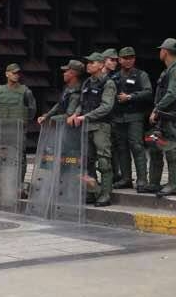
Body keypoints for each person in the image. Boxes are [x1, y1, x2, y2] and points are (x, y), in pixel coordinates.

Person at [70, 53, 116, 207]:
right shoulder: (87, 83)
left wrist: (86, 116)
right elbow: (82, 103)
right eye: (87, 62)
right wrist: (77, 113)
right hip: (87, 126)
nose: (88, 65)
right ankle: (92, 191)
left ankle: (105, 193)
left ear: (102, 65)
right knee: (88, 160)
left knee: (104, 161)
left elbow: (106, 106)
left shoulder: (107, 83)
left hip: (100, 126)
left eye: (92, 62)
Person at [145, 38, 176, 196]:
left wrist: (157, 109)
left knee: (172, 150)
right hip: (165, 117)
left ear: (165, 51)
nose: (160, 52)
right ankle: (154, 182)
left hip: (172, 117)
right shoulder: (169, 70)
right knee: (156, 146)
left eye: (161, 50)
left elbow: (172, 93)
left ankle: (174, 184)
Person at [110, 47, 153, 192]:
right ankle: (126, 178)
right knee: (121, 148)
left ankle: (142, 179)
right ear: (120, 60)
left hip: (134, 116)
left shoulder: (141, 75)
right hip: (118, 117)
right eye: (125, 58)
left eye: (131, 57)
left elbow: (148, 92)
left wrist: (130, 97)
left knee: (137, 146)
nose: (128, 60)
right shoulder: (115, 77)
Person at [0, 63, 37, 186]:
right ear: (7, 74)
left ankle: (19, 183)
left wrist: (24, 122)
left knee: (20, 157)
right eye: (13, 73)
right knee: (2, 156)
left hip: (18, 129)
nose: (16, 75)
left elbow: (32, 109)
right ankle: (2, 181)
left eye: (18, 73)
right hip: (3, 128)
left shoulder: (25, 91)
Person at [39, 60, 83, 125]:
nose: (64, 74)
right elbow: (59, 104)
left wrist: (51, 119)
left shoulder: (77, 91)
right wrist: (46, 116)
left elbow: (69, 115)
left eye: (66, 71)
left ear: (73, 73)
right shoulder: (67, 88)